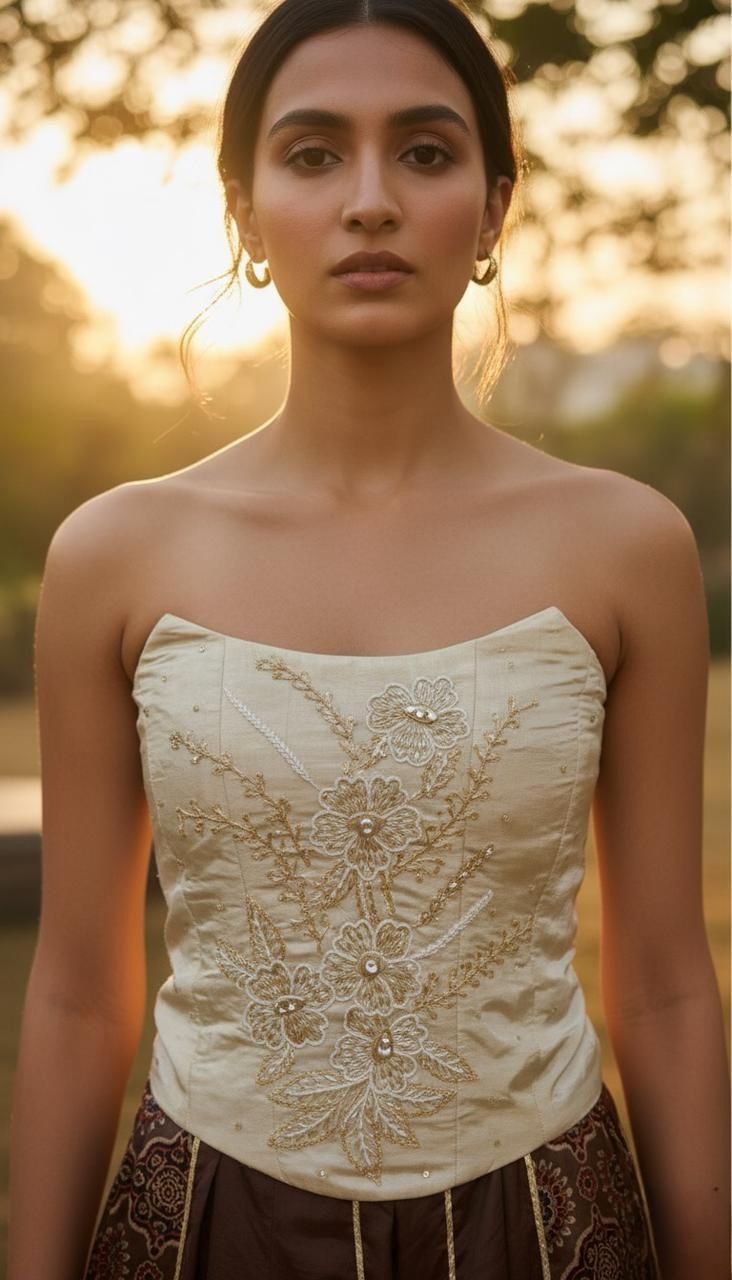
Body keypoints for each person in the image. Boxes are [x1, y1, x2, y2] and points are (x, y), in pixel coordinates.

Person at [8, 1, 729, 1277]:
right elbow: (75, 991)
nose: (372, 201)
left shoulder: (628, 546)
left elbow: (667, 982)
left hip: (549, 1223)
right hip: (204, 1223)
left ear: (496, 209)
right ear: (244, 213)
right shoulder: (115, 554)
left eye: (428, 152)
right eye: (312, 153)